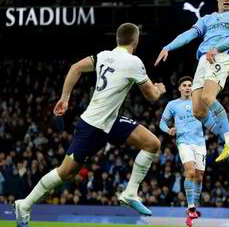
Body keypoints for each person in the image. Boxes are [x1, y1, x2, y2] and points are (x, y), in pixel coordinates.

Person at [14, 23, 166, 227]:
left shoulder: (103, 55)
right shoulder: (133, 62)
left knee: (152, 143)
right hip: (93, 125)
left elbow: (75, 67)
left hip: (111, 120)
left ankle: (130, 192)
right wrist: (159, 89)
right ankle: (25, 204)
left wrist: (65, 98)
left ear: (117, 40)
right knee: (66, 172)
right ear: (136, 41)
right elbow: (151, 96)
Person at [154, 0, 229, 170]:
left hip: (221, 57)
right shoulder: (207, 19)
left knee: (208, 96)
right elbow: (189, 34)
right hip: (203, 61)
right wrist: (168, 47)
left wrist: (217, 48)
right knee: (198, 112)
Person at [159, 76, 210, 227]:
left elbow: (208, 117)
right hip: (184, 142)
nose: (187, 87)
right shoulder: (172, 104)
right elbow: (162, 122)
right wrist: (168, 130)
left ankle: (195, 203)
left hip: (200, 143)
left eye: (190, 85)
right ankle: (190, 208)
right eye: (185, 85)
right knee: (190, 172)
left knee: (199, 178)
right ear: (179, 88)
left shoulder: (199, 101)